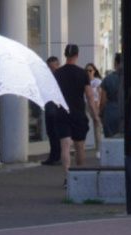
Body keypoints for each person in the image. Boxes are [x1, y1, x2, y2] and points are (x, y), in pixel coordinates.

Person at [53, 44, 100, 186]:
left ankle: (68, 178)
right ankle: (80, 177)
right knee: (80, 146)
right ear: (77, 55)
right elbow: (90, 96)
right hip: (78, 113)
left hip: (62, 112)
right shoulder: (82, 73)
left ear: (65, 55)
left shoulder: (57, 73)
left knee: (65, 146)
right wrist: (95, 116)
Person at [41, 56, 61, 165]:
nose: (51, 70)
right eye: (49, 68)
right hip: (49, 107)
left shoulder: (61, 77)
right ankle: (53, 156)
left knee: (56, 133)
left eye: (53, 68)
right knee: (51, 132)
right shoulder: (46, 78)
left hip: (56, 108)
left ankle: (56, 157)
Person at [100, 52, 123, 137]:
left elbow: (103, 101)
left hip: (110, 113)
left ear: (115, 63)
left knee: (110, 140)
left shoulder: (107, 79)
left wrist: (100, 114)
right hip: (125, 113)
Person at [85, 63, 103, 158]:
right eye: (87, 70)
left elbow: (100, 95)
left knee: (97, 126)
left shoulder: (97, 81)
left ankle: (99, 149)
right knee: (88, 125)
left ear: (94, 71)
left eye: (90, 70)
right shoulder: (84, 81)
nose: (88, 72)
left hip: (95, 104)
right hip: (86, 104)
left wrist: (99, 106)